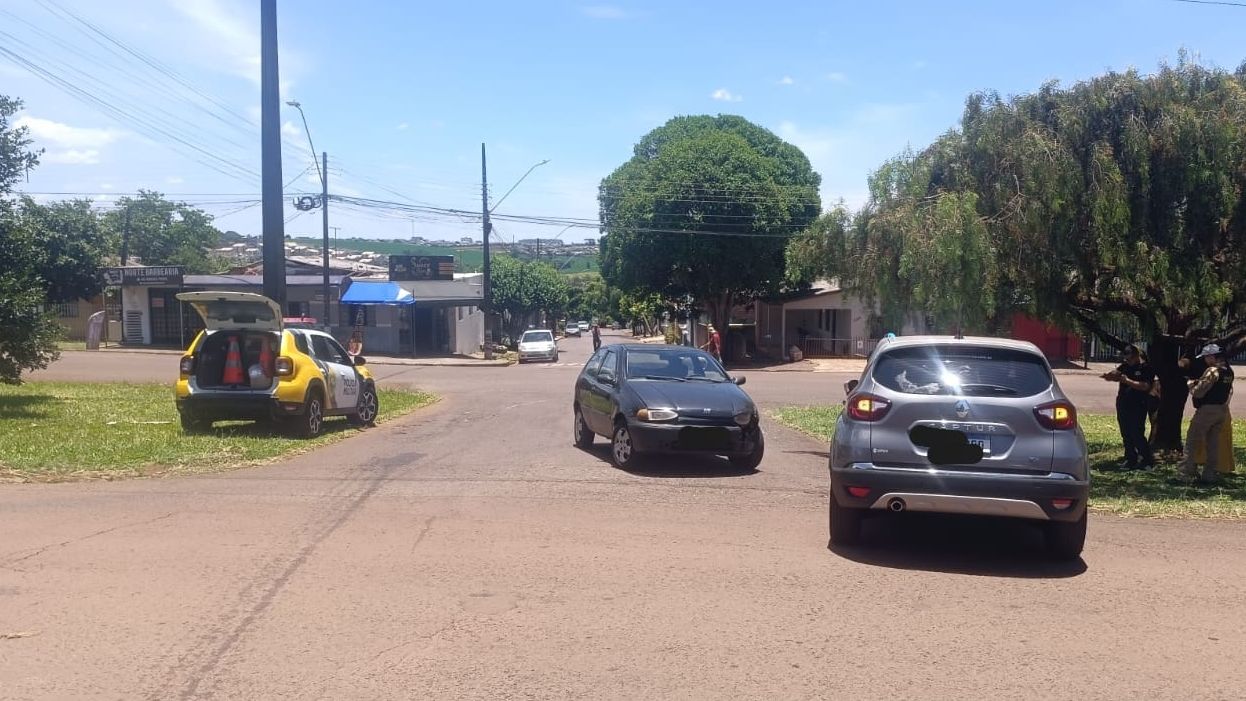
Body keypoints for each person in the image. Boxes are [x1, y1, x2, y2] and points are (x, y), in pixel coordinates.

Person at [1180, 343, 1235, 483]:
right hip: (1221, 411)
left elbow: (1199, 392)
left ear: (1211, 357)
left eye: (1205, 357)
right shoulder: (1229, 371)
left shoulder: (1212, 371)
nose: (1204, 360)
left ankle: (1185, 475)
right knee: (1213, 444)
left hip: (1207, 410)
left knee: (1192, 441)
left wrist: (1191, 385)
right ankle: (1209, 475)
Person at [1101, 345, 1156, 470]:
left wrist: (1127, 381)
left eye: (1130, 359)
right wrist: (1110, 376)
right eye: (1126, 359)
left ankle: (1146, 460)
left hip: (1138, 404)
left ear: (1137, 356)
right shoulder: (1125, 367)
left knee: (1136, 432)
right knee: (1125, 432)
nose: (1128, 361)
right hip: (1123, 403)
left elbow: (1145, 386)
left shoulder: (1145, 368)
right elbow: (1117, 375)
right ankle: (1130, 459)